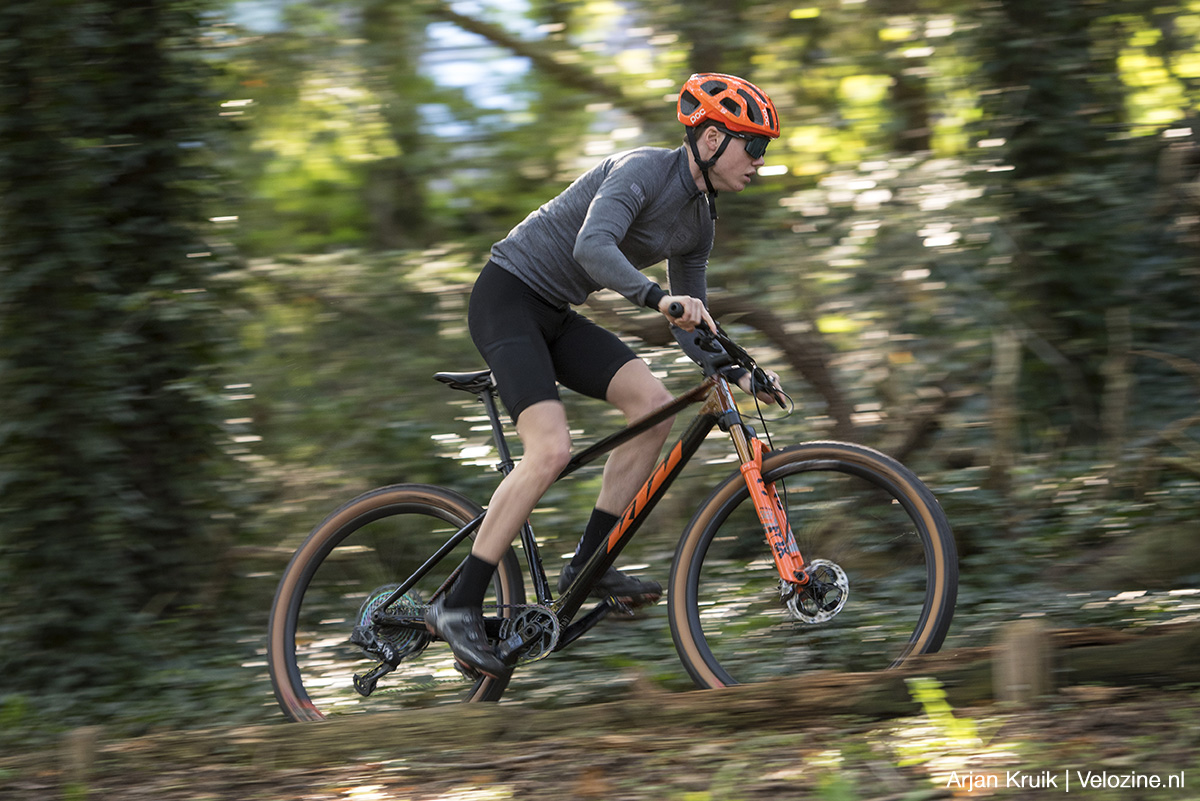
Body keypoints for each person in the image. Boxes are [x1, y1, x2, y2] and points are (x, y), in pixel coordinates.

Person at [426, 73, 784, 677]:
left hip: (555, 312)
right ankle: (457, 604)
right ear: (713, 138)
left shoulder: (699, 220)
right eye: (754, 146)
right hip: (507, 297)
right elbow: (592, 248)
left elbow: (691, 317)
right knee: (550, 449)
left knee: (653, 408)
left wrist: (738, 369)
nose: (760, 161)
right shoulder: (641, 170)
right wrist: (656, 298)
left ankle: (588, 565)